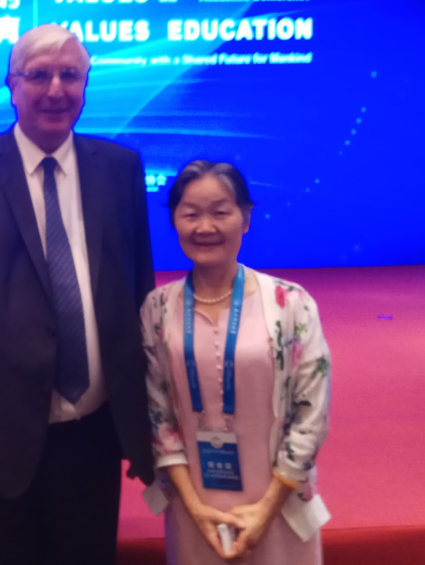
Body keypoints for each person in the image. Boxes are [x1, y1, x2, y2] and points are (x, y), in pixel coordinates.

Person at [0, 23, 156, 565]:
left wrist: (145, 424)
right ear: (12, 86)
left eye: (70, 75)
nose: (55, 90)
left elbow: (138, 295)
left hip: (95, 431)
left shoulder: (119, 169)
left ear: (86, 84)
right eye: (38, 75)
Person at [140, 160, 331, 564]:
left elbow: (310, 413)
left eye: (220, 212)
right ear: (174, 220)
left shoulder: (291, 303)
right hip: (195, 506)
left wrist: (265, 511)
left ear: (245, 218)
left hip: (279, 503)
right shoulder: (157, 309)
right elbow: (158, 418)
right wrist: (194, 508)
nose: (205, 227)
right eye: (191, 214)